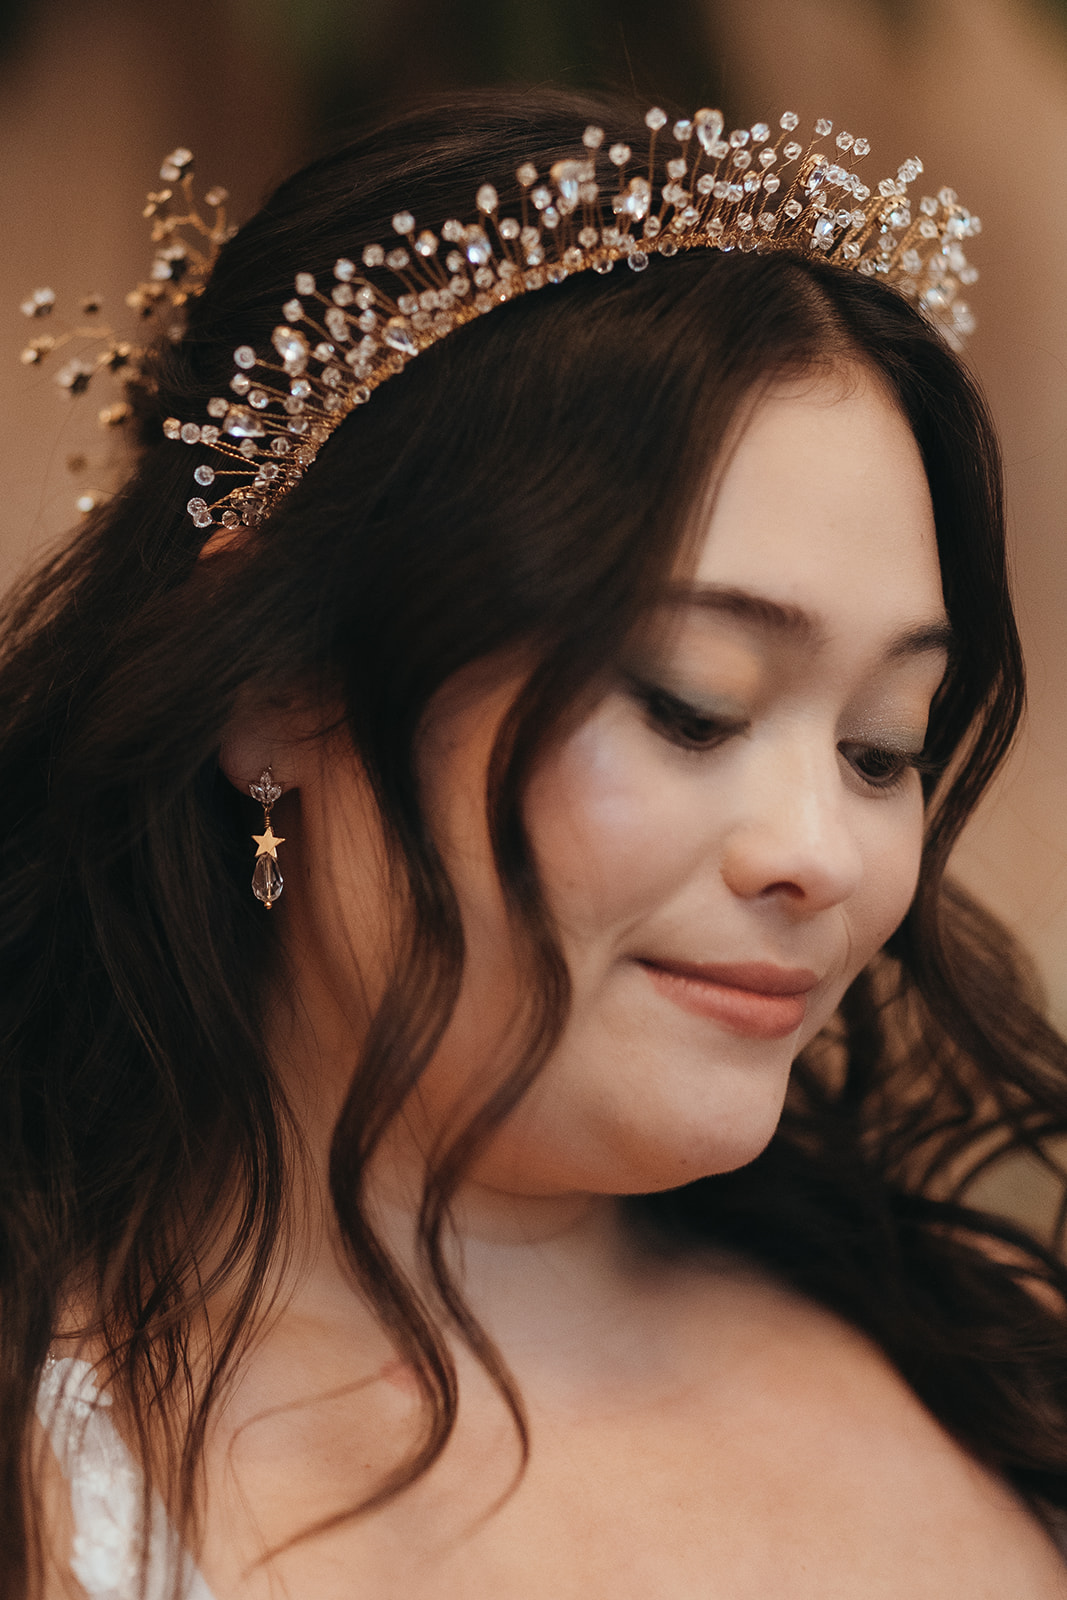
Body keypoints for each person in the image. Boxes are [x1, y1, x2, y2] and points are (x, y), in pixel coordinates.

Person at [4, 86, 1067, 1599]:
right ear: (271, 689)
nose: (823, 855)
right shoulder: (53, 1474)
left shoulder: (992, 1369)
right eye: (695, 710)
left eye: (880, 746)